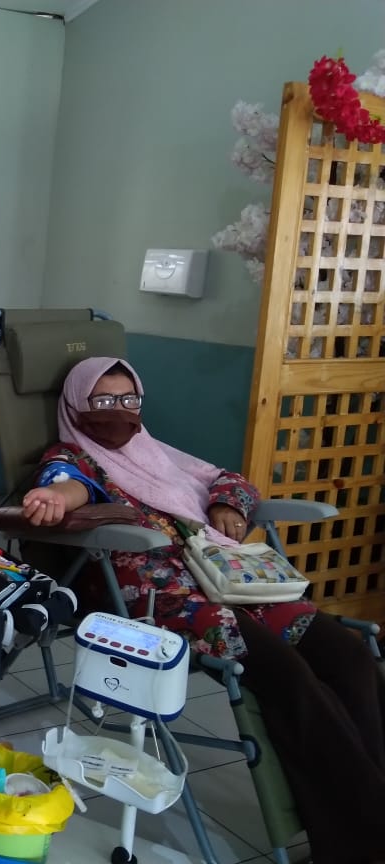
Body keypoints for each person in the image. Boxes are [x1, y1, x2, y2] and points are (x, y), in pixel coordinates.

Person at [21, 356, 385, 864]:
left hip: (229, 578)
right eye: (102, 400)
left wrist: (225, 506)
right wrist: (54, 498)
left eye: (128, 399)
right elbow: (69, 483)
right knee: (290, 679)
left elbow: (224, 478)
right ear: (77, 404)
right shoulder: (74, 456)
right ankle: (364, 837)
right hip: (169, 597)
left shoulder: (157, 453)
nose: (118, 410)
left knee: (349, 657)